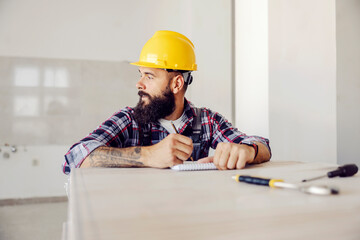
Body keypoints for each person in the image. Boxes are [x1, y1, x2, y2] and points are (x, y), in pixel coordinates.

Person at [62, 30, 271, 174]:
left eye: (149, 76)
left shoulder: (207, 121)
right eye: (140, 74)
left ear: (177, 84)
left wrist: (248, 150)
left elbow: (263, 146)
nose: (139, 84)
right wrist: (148, 155)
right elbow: (75, 157)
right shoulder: (129, 120)